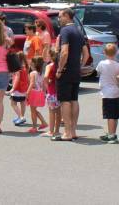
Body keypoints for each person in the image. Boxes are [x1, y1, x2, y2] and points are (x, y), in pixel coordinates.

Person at [52, 9, 84, 141]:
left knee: (64, 100)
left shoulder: (65, 30)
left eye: (60, 17)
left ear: (66, 16)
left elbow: (64, 52)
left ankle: (67, 133)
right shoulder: (78, 30)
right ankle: (73, 131)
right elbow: (85, 52)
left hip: (66, 69)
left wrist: (60, 69)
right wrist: (79, 65)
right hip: (75, 68)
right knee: (74, 99)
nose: (58, 19)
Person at [96, 43, 119, 144]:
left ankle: (111, 135)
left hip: (107, 93)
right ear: (116, 53)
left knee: (110, 115)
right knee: (115, 114)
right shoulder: (118, 65)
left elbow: (98, 72)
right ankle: (113, 133)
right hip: (116, 91)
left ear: (104, 52)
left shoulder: (101, 64)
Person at [42, 49, 61, 138]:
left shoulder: (49, 66)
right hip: (59, 92)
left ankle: (51, 131)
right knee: (59, 112)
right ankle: (57, 130)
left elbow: (45, 76)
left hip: (51, 92)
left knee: (51, 112)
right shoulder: (59, 66)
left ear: (50, 56)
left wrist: (46, 85)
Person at [26, 57, 48, 133]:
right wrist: (44, 93)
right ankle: (43, 122)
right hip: (40, 92)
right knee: (34, 110)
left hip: (34, 93)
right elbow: (44, 85)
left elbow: (32, 84)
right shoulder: (42, 73)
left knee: (33, 111)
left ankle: (34, 127)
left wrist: (27, 93)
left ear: (33, 64)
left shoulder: (32, 73)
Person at [8, 52, 30, 126]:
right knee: (22, 102)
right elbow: (28, 78)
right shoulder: (25, 67)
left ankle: (21, 117)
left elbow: (17, 78)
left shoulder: (18, 68)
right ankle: (21, 116)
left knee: (13, 103)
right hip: (24, 88)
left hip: (18, 88)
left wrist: (13, 88)